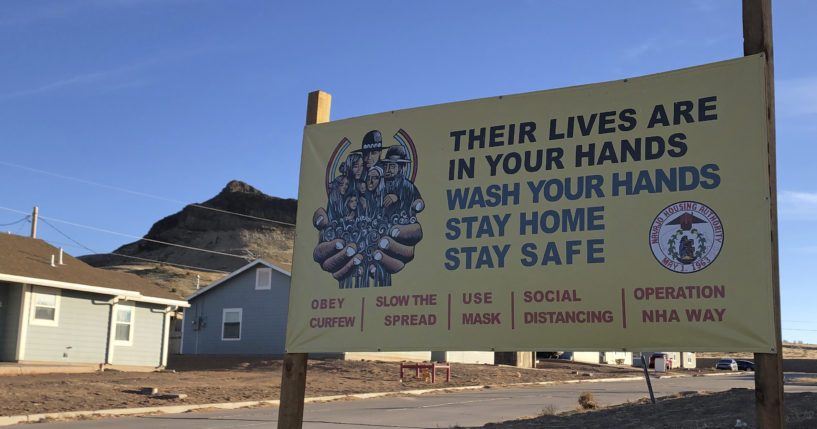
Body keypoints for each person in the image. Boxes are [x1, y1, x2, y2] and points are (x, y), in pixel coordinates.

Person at [381, 145, 424, 218]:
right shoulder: (379, 184)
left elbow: (419, 202)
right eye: (386, 166)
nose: (388, 170)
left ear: (400, 168)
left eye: (392, 166)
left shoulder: (407, 186)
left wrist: (398, 199)